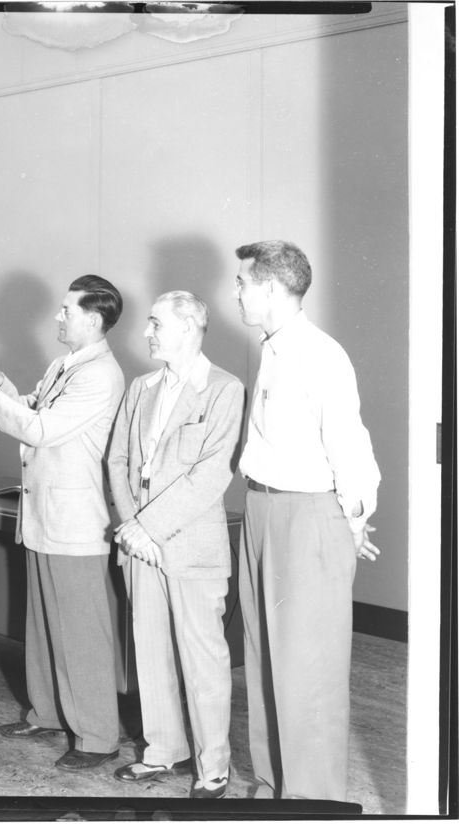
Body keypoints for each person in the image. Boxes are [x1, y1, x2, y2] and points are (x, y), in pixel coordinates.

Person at [233, 240, 381, 800]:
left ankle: (315, 802)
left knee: (308, 669)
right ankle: (276, 790)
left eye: (242, 282)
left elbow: (351, 444)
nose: (236, 292)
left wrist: (352, 518)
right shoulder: (274, 348)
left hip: (307, 513)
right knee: (266, 654)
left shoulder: (320, 353)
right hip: (264, 508)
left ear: (270, 288)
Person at [0, 275, 126, 772]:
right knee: (43, 622)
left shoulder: (100, 375)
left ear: (93, 320)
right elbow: (34, 406)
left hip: (76, 523)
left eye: (66, 310)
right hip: (46, 515)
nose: (58, 317)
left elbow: (41, 429)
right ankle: (49, 713)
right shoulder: (66, 365)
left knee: (82, 631)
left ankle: (98, 736)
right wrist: (0, 382)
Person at [107, 291, 244, 799]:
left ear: (188, 328)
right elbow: (118, 463)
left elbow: (212, 475)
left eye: (156, 323)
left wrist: (149, 528)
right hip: (141, 547)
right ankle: (162, 751)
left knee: (202, 660)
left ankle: (214, 768)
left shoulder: (224, 390)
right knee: (151, 652)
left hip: (189, 549)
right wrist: (133, 527)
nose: (147, 332)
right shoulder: (141, 387)